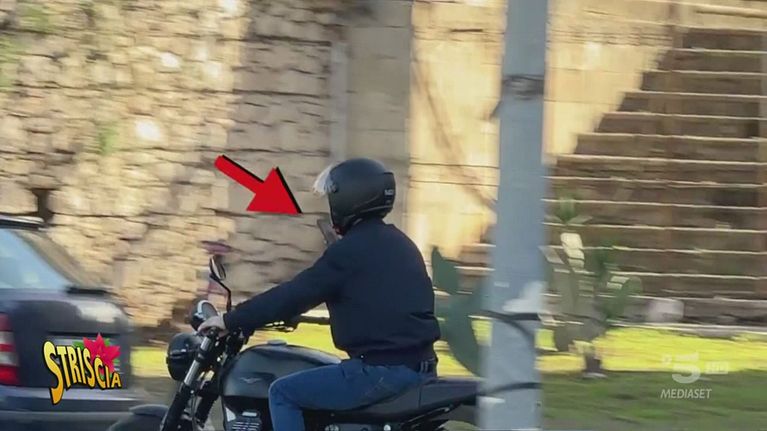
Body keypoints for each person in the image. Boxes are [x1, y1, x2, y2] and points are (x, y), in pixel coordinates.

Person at [198, 158, 441, 431]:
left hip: (380, 373)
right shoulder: (400, 243)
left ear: (347, 199)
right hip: (417, 367)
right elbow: (377, 303)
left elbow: (294, 294)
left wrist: (230, 320)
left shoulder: (350, 251)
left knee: (283, 393)